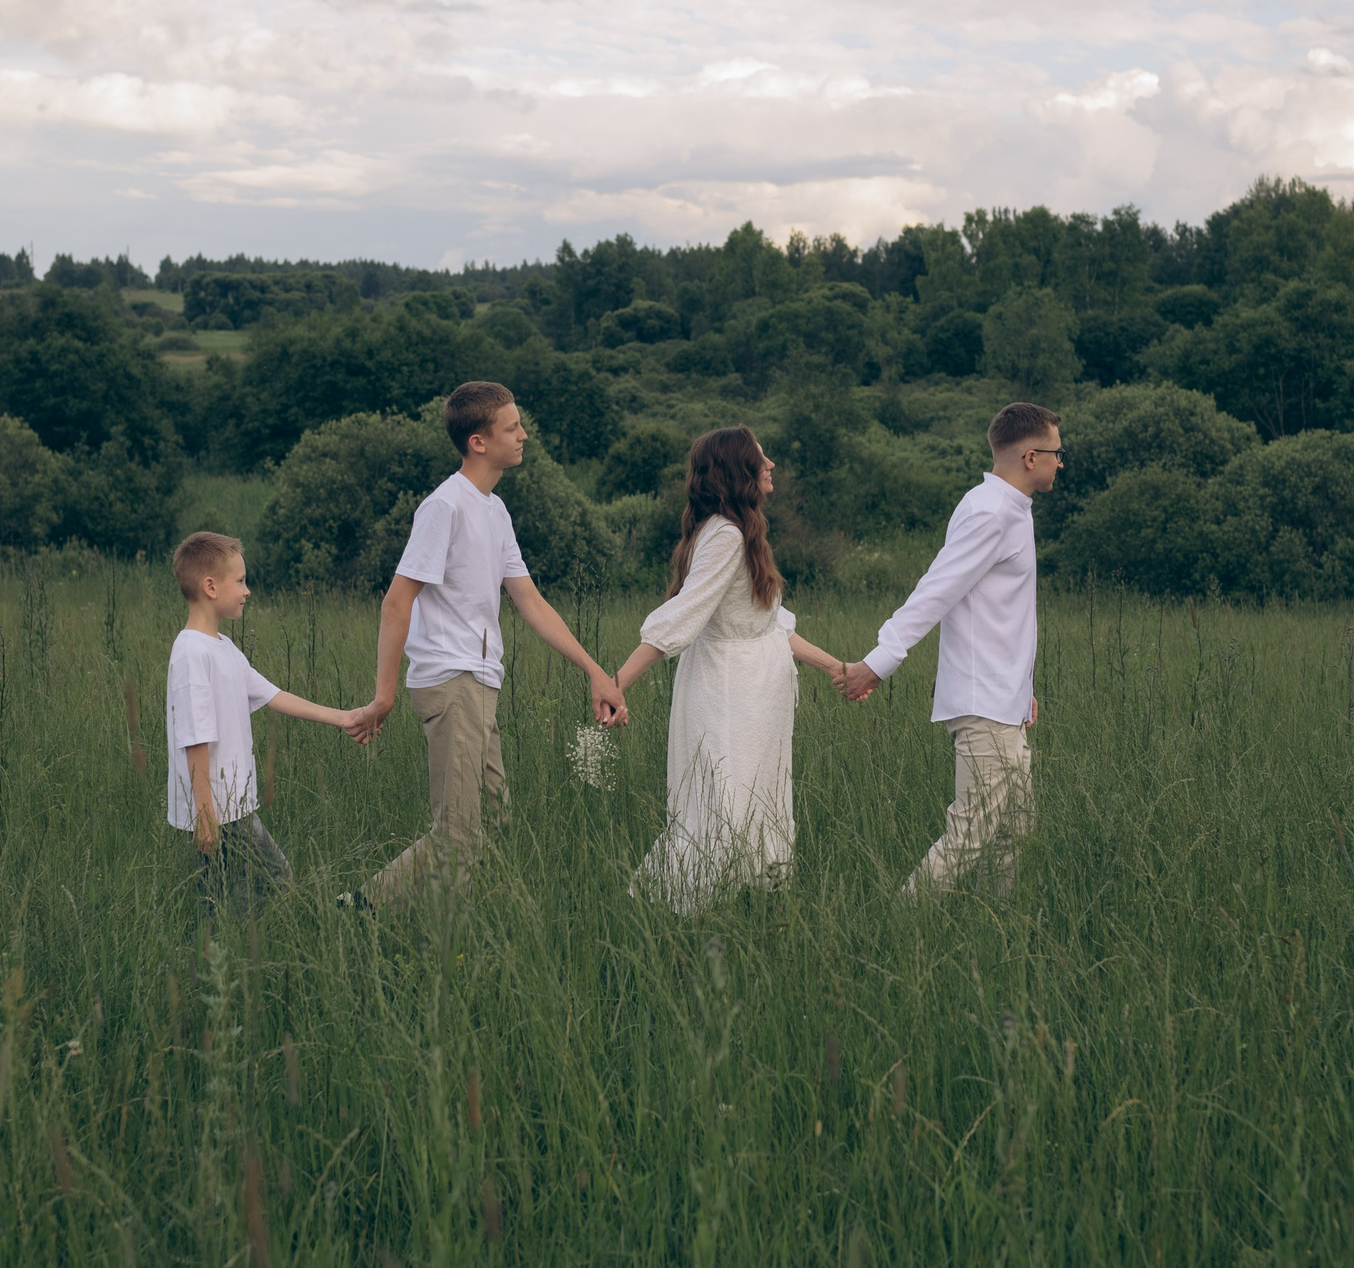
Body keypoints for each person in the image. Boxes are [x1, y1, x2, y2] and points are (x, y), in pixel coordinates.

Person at [352, 381, 628, 908]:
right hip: (450, 680)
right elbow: (396, 601)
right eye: (512, 427)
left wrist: (595, 671)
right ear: (479, 441)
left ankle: (423, 918)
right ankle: (369, 912)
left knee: (492, 820)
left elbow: (531, 602)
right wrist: (383, 696)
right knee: (457, 833)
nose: (524, 435)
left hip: (479, 682)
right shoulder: (445, 507)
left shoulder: (494, 511)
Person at [612, 427, 850, 914]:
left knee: (757, 799)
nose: (771, 464)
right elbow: (681, 615)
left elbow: (770, 626)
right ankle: (669, 912)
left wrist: (835, 667)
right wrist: (615, 685)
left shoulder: (741, 532)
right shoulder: (725, 535)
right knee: (723, 805)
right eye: (761, 457)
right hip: (728, 687)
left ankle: (751, 906)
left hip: (757, 689)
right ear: (738, 470)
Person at [837, 401, 1062, 899]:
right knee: (971, 834)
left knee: (1015, 831)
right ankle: (897, 926)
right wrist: (880, 660)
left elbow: (1001, 615)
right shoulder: (990, 512)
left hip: (1005, 701)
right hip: (983, 704)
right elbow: (936, 590)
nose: (1059, 463)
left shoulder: (1009, 509)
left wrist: (1024, 690)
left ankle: (995, 929)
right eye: (1054, 454)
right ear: (1030, 457)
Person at [167, 531, 371, 916]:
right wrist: (205, 813)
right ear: (210, 586)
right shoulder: (192, 652)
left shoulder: (223, 648)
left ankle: (216, 952)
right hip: (218, 810)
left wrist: (344, 717)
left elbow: (274, 695)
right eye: (240, 581)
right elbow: (194, 737)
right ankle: (226, 948)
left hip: (231, 807)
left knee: (219, 892)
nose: (247, 591)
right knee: (274, 877)